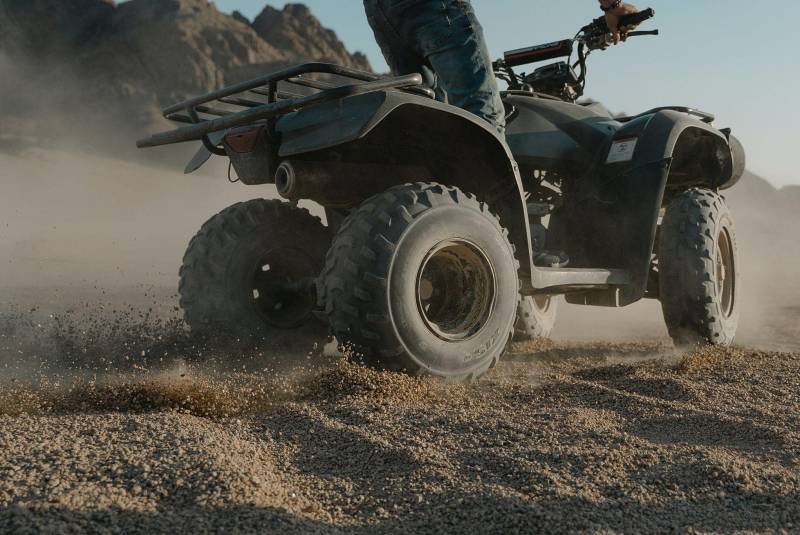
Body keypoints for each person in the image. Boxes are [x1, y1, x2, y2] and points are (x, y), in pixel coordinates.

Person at [363, 0, 639, 135]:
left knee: (430, 127)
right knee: (483, 124)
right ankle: (493, 235)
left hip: (382, 11)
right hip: (437, 8)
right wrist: (612, 5)